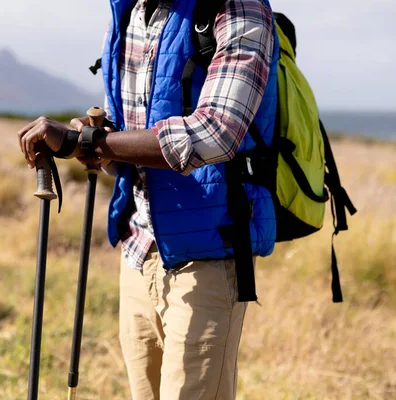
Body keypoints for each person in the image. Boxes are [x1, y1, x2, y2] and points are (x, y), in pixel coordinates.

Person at [18, 0, 279, 398]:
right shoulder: (130, 12)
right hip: (139, 251)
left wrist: (88, 141)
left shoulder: (238, 8)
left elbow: (215, 133)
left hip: (209, 254)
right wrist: (87, 142)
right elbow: (120, 141)